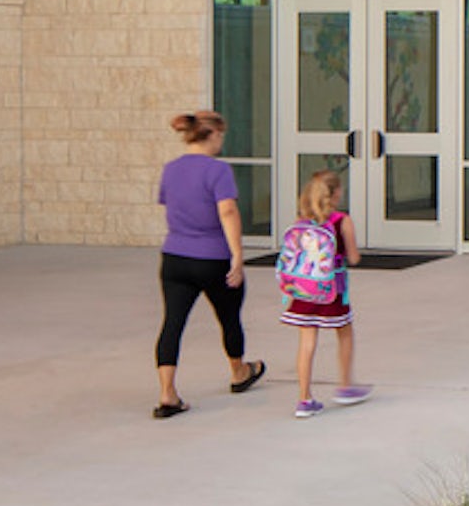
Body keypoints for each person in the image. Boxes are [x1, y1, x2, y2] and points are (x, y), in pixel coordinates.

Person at [152, 109, 266, 419]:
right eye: (221, 136)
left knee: (172, 323)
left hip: (175, 257)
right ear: (212, 134)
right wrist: (237, 256)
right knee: (229, 317)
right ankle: (239, 372)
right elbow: (227, 212)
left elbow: (171, 205)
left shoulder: (171, 169)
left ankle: (167, 394)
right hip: (213, 257)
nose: (221, 142)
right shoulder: (218, 170)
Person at [277, 168, 371, 416]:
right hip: (332, 290)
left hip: (302, 290)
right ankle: (345, 385)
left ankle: (304, 398)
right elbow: (354, 257)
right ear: (336, 193)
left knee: (307, 342)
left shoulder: (301, 222)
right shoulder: (342, 220)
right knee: (345, 333)